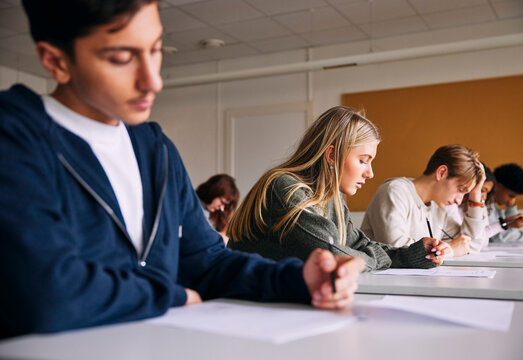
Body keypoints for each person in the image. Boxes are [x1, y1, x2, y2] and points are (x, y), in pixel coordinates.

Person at [0, 0, 363, 339]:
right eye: (122, 58)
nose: (153, 81)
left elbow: (206, 262)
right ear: (56, 61)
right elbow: (45, 293)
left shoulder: (155, 148)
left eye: (155, 50)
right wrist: (171, 295)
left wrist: (298, 279)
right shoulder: (15, 137)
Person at [227, 106, 449, 270]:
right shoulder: (284, 187)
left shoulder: (331, 197)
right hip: (247, 308)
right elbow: (332, 254)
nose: (370, 173)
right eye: (363, 160)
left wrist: (413, 254)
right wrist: (381, 258)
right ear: (332, 155)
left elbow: (358, 244)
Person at [361, 144, 486, 256]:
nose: (459, 201)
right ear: (441, 173)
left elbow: (470, 244)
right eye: (460, 189)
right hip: (379, 280)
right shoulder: (394, 191)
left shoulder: (437, 206)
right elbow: (396, 250)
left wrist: (475, 198)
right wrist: (450, 249)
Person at [446, 163, 496, 252]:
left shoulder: (477, 203)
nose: (484, 197)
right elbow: (469, 244)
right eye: (482, 190)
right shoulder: (450, 202)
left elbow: (482, 243)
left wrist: (476, 203)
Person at [488, 163, 523, 243]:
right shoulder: (485, 205)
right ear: (498, 186)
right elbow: (500, 238)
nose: (511, 201)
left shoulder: (494, 208)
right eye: (511, 196)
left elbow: (510, 230)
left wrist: (511, 207)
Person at [196, 174, 239, 244]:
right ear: (214, 192)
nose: (222, 207)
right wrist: (223, 234)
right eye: (222, 202)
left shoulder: (210, 212)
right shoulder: (192, 207)